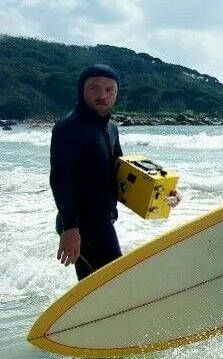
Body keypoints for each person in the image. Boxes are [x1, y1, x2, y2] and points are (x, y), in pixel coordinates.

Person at [50, 64, 181, 279]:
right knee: (109, 287)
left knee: (107, 287)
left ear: (116, 93)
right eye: (94, 88)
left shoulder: (110, 127)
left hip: (103, 221)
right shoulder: (69, 127)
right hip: (82, 226)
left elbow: (122, 172)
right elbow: (59, 178)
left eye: (109, 90)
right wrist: (70, 228)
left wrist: (166, 189)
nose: (102, 95)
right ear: (81, 90)